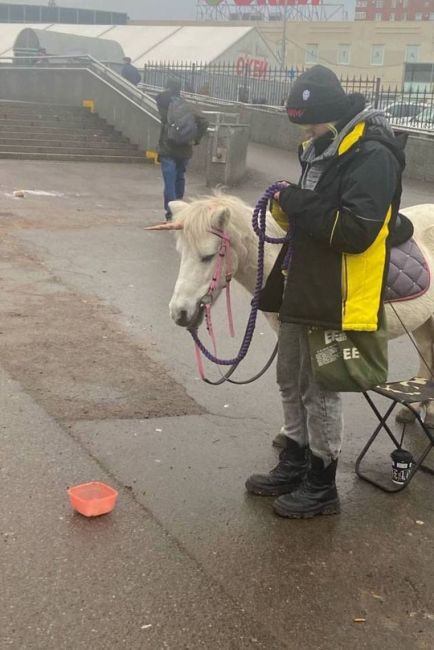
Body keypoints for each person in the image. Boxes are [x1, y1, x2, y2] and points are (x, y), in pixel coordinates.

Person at [245, 65, 409, 519]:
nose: (306, 130)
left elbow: (355, 229)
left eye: (310, 121)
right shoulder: (323, 147)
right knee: (290, 377)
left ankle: (322, 483)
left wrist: (296, 201)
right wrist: (286, 209)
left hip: (335, 288)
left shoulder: (373, 154)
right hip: (304, 278)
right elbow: (315, 214)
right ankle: (294, 461)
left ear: (331, 113)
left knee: (319, 390)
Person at [156, 78, 208, 221]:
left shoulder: (163, 103)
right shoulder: (188, 105)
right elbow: (204, 121)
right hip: (185, 148)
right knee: (179, 178)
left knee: (169, 182)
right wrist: (196, 138)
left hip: (168, 147)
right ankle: (179, 210)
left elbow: (159, 97)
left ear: (167, 88)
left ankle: (171, 213)